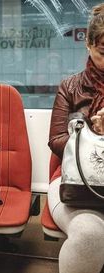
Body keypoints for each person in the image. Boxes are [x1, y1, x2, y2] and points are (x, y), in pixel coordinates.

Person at [48, 3, 104, 273]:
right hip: (76, 185)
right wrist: (90, 135)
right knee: (89, 235)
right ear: (89, 46)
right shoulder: (70, 87)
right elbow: (56, 140)